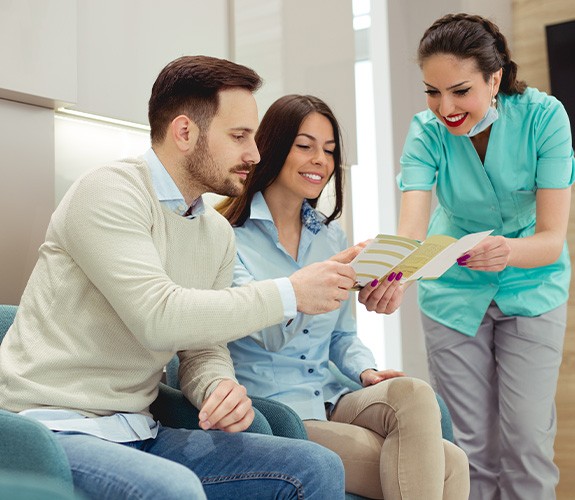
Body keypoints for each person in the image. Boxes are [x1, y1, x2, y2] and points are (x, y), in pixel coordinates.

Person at [0, 56, 356, 499]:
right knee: (174, 489)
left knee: (313, 466)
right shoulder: (109, 193)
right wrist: (292, 293)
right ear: (185, 132)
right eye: (240, 136)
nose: (256, 154)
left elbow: (202, 346)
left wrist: (217, 386)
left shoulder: (215, 233)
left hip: (141, 429)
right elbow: (159, 316)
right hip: (53, 429)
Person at [218, 94, 470, 500]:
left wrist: (366, 372)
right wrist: (314, 282)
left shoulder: (329, 235)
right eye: (305, 146)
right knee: (449, 465)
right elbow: (267, 334)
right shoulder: (227, 237)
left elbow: (341, 337)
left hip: (333, 397)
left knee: (416, 394)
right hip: (279, 413)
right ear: (273, 147)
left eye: (330, 150)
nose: (320, 159)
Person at [396, 13, 575, 500]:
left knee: (528, 444)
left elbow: (551, 239)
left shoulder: (544, 118)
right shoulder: (426, 132)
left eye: (459, 91)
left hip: (532, 286)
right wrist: (391, 272)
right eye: (432, 92)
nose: (445, 108)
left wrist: (506, 251)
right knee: (470, 449)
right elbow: (411, 229)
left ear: (494, 78)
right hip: (453, 293)